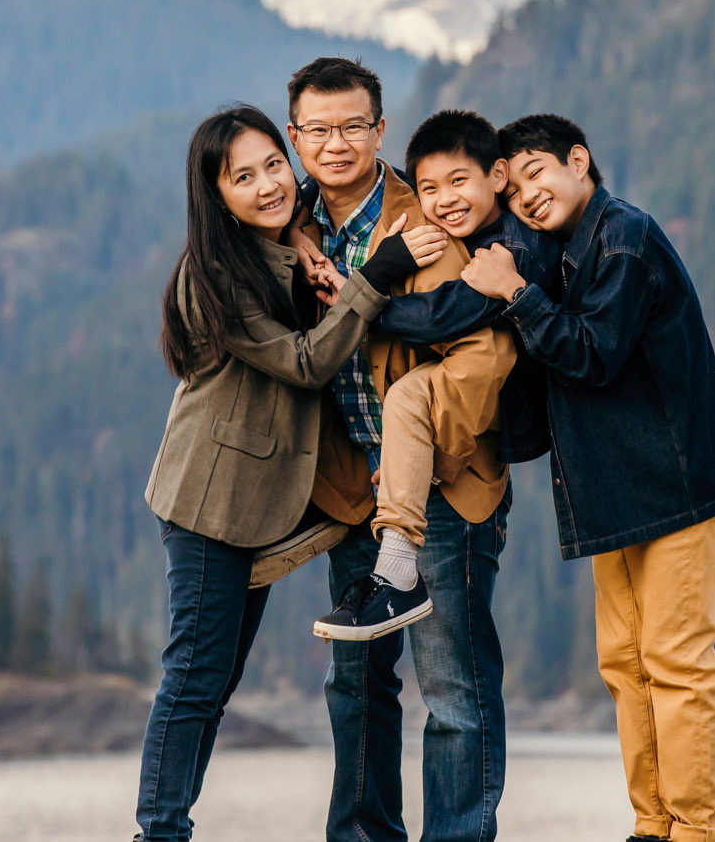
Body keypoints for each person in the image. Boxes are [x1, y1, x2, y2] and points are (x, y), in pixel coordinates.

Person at [134, 103, 440, 842]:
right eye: (244, 176)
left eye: (275, 163)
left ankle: (167, 827)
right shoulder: (217, 274)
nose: (269, 184)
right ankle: (159, 831)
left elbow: (300, 233)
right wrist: (378, 275)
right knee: (195, 679)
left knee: (213, 683)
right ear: (216, 193)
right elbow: (306, 363)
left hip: (260, 499)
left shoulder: (279, 237)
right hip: (210, 502)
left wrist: (304, 237)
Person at [460, 113, 715, 842]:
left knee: (679, 665)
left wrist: (513, 293)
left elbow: (592, 351)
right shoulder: (560, 249)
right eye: (516, 184)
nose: (528, 195)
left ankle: (696, 830)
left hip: (677, 488)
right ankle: (652, 822)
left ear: (579, 161)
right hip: (614, 496)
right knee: (627, 664)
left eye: (538, 173)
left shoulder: (625, 236)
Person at [282, 58, 516, 842]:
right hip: (349, 489)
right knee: (353, 684)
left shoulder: (426, 222)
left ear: (380, 129)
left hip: (441, 493)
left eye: (354, 126)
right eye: (319, 129)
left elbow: (485, 358)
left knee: (453, 688)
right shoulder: (291, 228)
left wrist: (416, 460)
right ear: (296, 137)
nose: (337, 143)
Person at [308, 108, 559, 641]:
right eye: (429, 188)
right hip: (361, 478)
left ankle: (398, 571)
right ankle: (396, 574)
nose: (445, 199)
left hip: (491, 446)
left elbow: (451, 318)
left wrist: (366, 299)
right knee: (360, 679)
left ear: (497, 176)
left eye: (458, 181)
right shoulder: (309, 222)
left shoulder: (512, 246)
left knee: (457, 679)